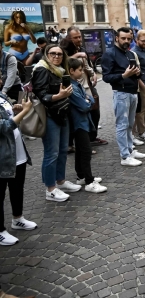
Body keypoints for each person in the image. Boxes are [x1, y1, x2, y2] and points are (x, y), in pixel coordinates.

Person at [31, 44, 82, 201]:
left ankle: (60, 181)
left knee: (61, 150)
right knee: (51, 153)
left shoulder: (61, 70)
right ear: (46, 55)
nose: (56, 56)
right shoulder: (41, 69)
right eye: (52, 53)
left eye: (59, 54)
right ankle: (50, 188)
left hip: (62, 113)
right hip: (50, 115)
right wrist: (58, 96)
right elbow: (40, 94)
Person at [101, 27, 145, 166]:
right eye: (123, 38)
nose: (126, 41)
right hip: (121, 93)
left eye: (129, 38)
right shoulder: (109, 54)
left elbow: (135, 73)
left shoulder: (129, 53)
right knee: (122, 125)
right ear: (116, 38)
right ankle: (125, 156)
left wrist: (137, 73)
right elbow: (106, 77)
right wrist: (123, 76)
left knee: (129, 124)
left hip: (133, 91)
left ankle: (130, 149)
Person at [0, 88, 36, 245]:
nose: (1, 80)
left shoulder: (1, 95)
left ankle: (18, 218)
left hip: (17, 151)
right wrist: (25, 111)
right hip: (2, 155)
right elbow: (4, 127)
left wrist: (15, 110)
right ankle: (0, 231)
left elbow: (9, 117)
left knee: (17, 186)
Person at [67, 58, 107, 193]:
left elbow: (87, 98)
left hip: (81, 122)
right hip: (79, 123)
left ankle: (81, 176)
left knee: (80, 150)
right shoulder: (71, 86)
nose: (81, 72)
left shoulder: (76, 84)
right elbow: (85, 105)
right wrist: (87, 101)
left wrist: (87, 100)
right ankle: (89, 181)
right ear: (71, 71)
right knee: (85, 151)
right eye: (79, 70)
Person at [66, 27, 108, 148]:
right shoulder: (64, 50)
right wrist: (77, 55)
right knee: (80, 115)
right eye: (75, 37)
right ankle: (76, 143)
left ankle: (92, 137)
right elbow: (61, 62)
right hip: (76, 86)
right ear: (69, 38)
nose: (79, 39)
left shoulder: (82, 48)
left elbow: (88, 66)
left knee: (95, 111)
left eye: (79, 37)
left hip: (88, 84)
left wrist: (94, 74)